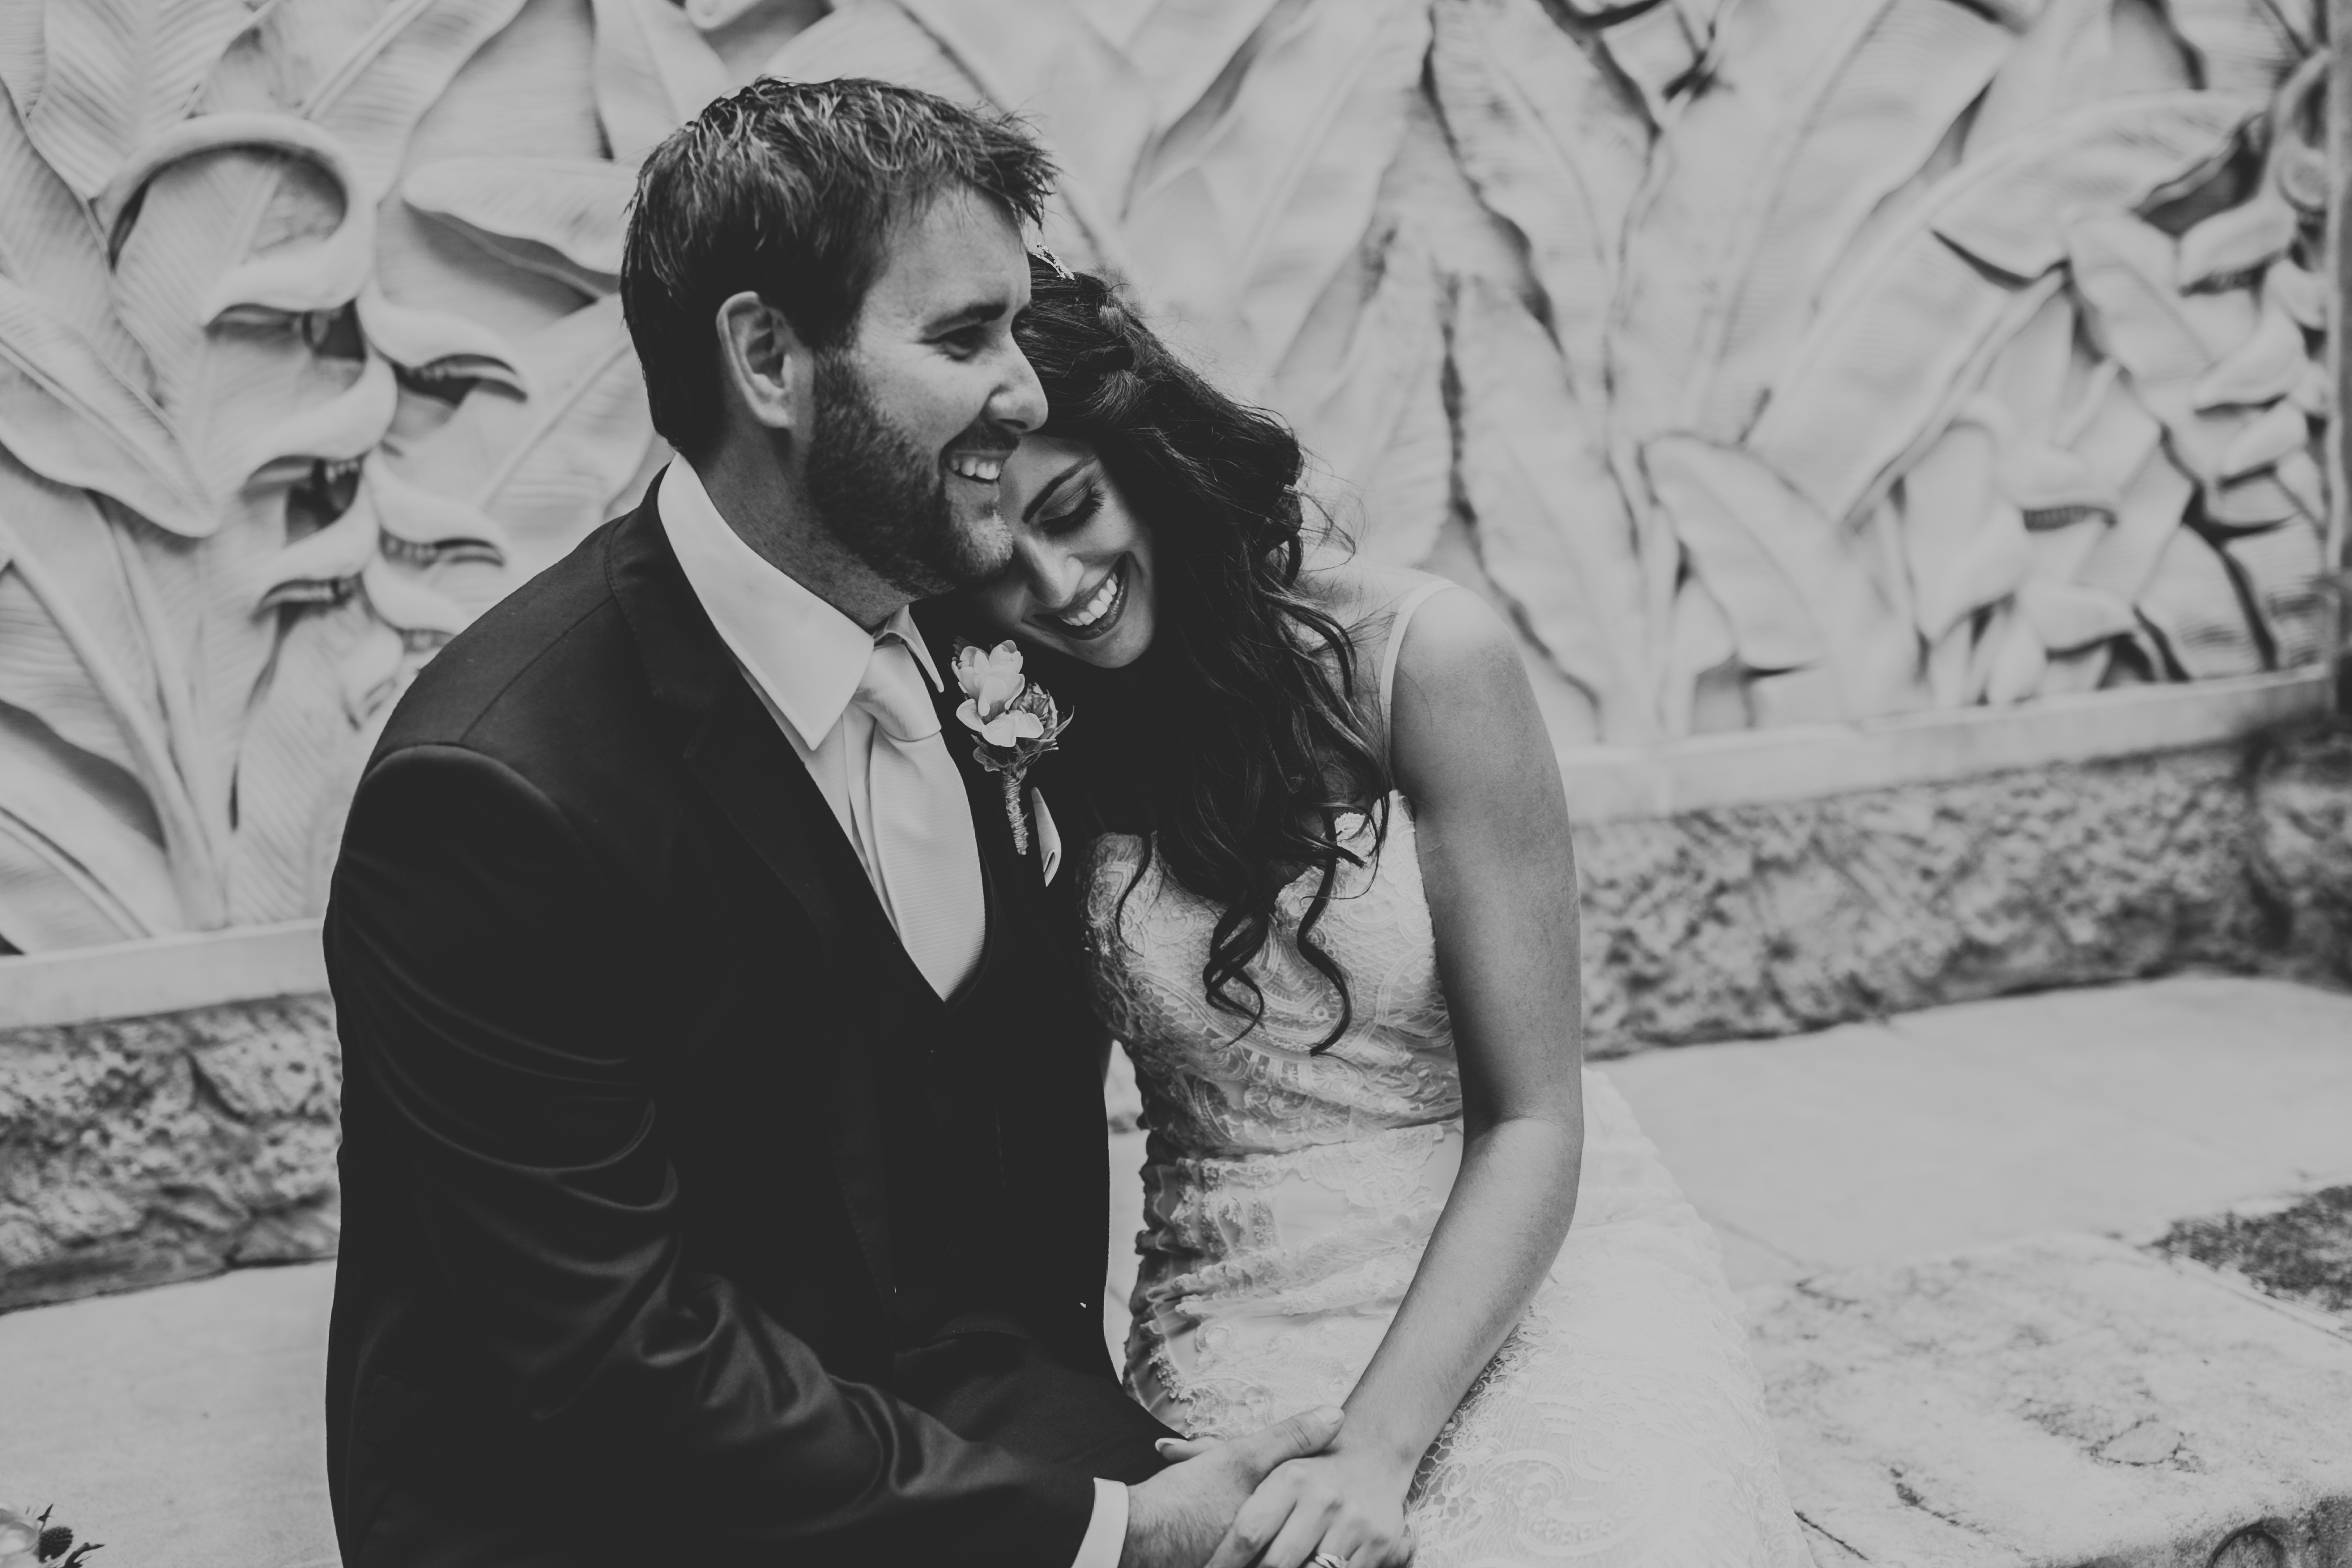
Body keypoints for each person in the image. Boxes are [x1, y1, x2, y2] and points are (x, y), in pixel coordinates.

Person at [321, 80, 1337, 1567]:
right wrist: (1111, 1535)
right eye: (963, 338)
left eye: (1014, 330)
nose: (1026, 393)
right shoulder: (490, 799)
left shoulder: (981, 629)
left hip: (995, 1428)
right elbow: (616, 1359)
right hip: (620, 1516)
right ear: (768, 360)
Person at [950, 260, 1816, 1568]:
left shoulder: (1425, 660)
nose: (1060, 584)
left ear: (1150, 465)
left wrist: (1376, 1450)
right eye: (998, 558)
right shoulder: (1018, 728)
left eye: (1073, 509)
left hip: (1524, 1250)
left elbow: (1534, 1121)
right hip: (1238, 1289)